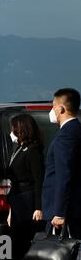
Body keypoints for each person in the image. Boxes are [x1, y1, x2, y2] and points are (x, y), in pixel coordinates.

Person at [6, 114, 45, 260]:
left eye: (13, 128)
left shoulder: (33, 150)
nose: (11, 132)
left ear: (21, 129)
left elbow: (38, 180)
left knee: (23, 246)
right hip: (17, 202)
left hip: (27, 202)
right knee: (16, 247)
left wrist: (39, 207)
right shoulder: (19, 148)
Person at [42, 88, 81, 239]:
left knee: (63, 255)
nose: (52, 111)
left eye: (53, 106)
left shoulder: (65, 136)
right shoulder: (76, 130)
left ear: (61, 108)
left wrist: (59, 212)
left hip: (65, 212)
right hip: (74, 207)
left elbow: (63, 175)